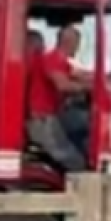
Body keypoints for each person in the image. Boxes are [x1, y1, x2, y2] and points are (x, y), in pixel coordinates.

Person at [25, 24, 92, 172]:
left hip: (51, 116)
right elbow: (62, 85)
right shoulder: (51, 58)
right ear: (70, 42)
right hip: (42, 119)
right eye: (77, 43)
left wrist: (102, 78)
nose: (78, 47)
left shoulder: (60, 61)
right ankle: (84, 184)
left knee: (86, 121)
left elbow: (79, 74)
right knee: (74, 161)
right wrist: (88, 87)